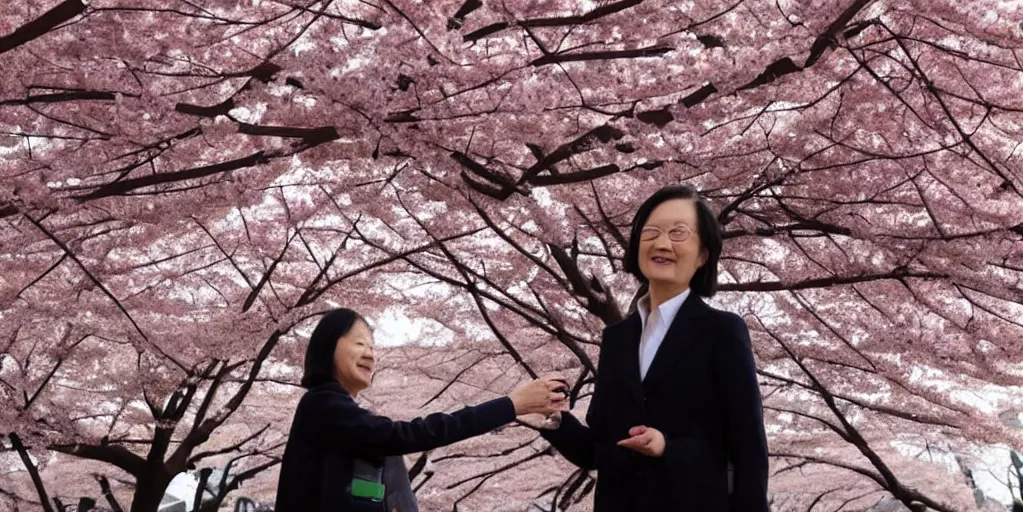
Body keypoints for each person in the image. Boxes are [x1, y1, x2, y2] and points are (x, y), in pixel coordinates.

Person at [538, 185, 770, 511]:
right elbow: (601, 449)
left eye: (678, 233)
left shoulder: (722, 331)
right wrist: (556, 421)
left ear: (703, 254)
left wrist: (667, 447)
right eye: (651, 232)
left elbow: (747, 449)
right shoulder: (617, 339)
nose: (662, 244)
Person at [274, 308, 566, 512]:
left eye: (373, 347)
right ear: (327, 347)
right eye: (359, 343)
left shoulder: (342, 415)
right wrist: (511, 406)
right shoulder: (323, 405)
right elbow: (410, 435)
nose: (370, 354)